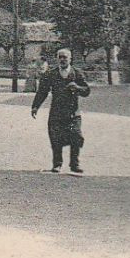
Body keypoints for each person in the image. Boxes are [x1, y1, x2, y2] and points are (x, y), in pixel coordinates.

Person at [31, 47, 91, 175]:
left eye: (65, 57)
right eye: (60, 57)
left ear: (70, 59)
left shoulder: (77, 73)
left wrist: (77, 88)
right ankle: (57, 164)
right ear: (57, 59)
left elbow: (87, 91)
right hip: (56, 112)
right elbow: (42, 91)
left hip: (73, 112)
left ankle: (74, 164)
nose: (63, 59)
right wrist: (35, 106)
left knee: (76, 136)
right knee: (56, 138)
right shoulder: (51, 74)